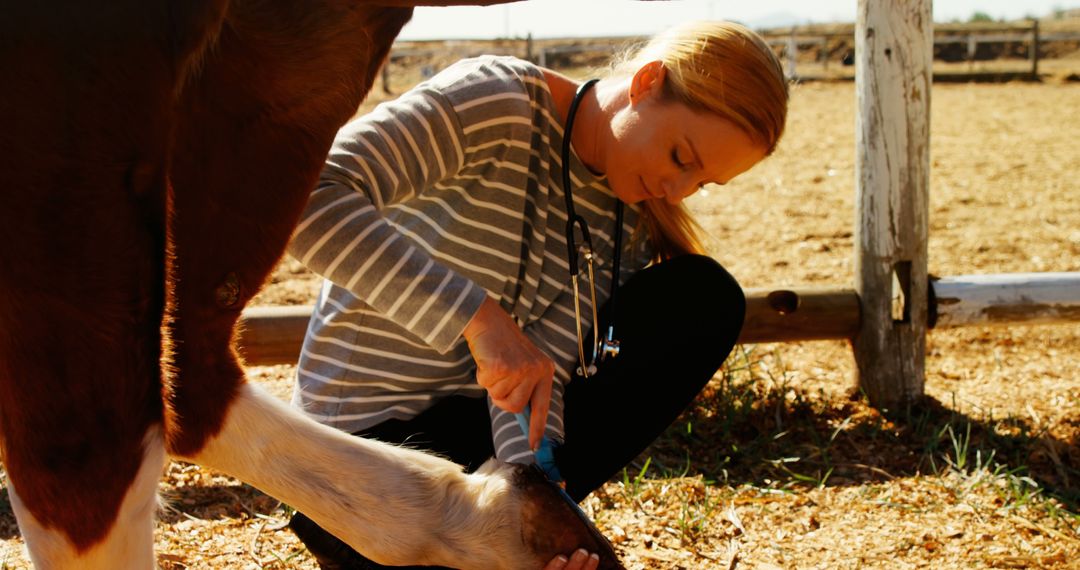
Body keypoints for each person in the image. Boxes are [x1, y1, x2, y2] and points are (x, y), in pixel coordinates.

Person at [285, 20, 788, 570]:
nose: (677, 190)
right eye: (681, 157)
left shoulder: (629, 225)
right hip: (350, 455)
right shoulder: (498, 100)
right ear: (647, 82)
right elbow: (301, 196)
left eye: (703, 183)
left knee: (702, 298)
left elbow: (531, 377)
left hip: (462, 454)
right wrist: (476, 318)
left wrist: (535, 506)